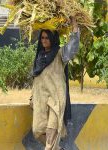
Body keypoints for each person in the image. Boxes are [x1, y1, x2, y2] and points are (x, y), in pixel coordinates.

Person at [29, 16, 80, 150]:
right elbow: (36, 78)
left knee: (51, 135)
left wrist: (74, 24)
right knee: (37, 131)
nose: (44, 40)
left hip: (56, 99)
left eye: (47, 38)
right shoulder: (39, 56)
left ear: (52, 38)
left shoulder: (60, 54)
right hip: (41, 99)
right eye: (43, 38)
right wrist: (32, 96)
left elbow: (73, 47)